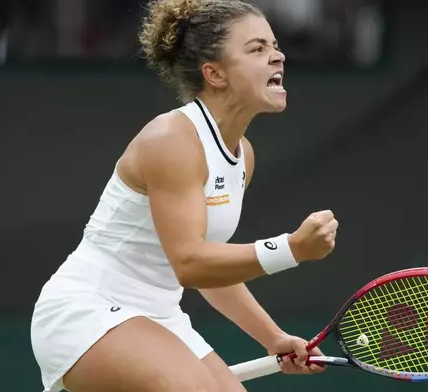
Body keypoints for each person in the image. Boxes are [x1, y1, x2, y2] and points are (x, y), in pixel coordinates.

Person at [29, 0, 339, 391]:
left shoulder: (243, 154)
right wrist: (290, 249)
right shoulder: (171, 140)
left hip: (159, 315)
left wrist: (272, 337)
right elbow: (190, 264)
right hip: (88, 308)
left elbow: (210, 271)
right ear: (215, 73)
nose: (277, 56)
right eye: (257, 48)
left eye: (274, 45)